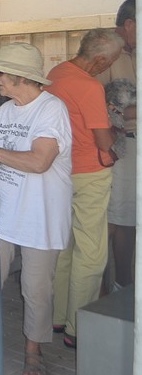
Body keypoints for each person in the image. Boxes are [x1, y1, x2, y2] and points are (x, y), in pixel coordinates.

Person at [0, 43, 72, 375]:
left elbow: (39, 161)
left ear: (20, 77)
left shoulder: (52, 110)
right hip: (2, 213)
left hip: (41, 215)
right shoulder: (6, 110)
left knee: (36, 289)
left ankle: (33, 351)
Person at [47, 29, 123, 348]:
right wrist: (115, 131)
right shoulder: (90, 86)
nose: (110, 67)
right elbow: (102, 138)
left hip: (62, 170)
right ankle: (77, 329)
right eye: (112, 61)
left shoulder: (56, 73)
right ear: (100, 59)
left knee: (66, 249)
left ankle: (59, 317)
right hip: (90, 172)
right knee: (91, 253)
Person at [98, 0, 137, 291]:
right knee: (115, 220)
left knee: (130, 219)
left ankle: (127, 287)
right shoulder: (105, 53)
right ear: (129, 24)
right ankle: (109, 292)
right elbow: (95, 107)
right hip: (117, 147)